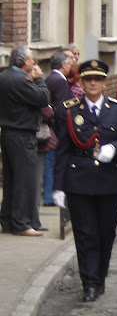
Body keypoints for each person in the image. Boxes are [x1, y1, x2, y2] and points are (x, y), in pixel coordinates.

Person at [52, 59, 117, 302]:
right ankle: (88, 283)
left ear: (104, 82)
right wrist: (58, 186)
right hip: (79, 180)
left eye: (98, 79)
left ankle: (100, 277)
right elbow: (63, 150)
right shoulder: (70, 110)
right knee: (84, 233)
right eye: (88, 79)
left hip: (108, 181)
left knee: (105, 233)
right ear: (82, 82)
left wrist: (114, 148)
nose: (93, 84)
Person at [0, 46, 50, 236]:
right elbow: (43, 98)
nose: (34, 62)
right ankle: (22, 223)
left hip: (8, 132)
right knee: (25, 179)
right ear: (24, 61)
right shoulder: (20, 80)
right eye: (32, 59)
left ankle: (8, 220)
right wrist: (39, 80)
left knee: (12, 179)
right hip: (22, 134)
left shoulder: (4, 76)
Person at [43, 50, 74, 205]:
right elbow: (62, 108)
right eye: (69, 63)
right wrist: (66, 127)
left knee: (50, 162)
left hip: (51, 127)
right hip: (57, 129)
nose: (70, 66)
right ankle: (49, 196)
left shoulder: (50, 78)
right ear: (63, 64)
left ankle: (49, 194)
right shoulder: (60, 80)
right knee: (53, 162)